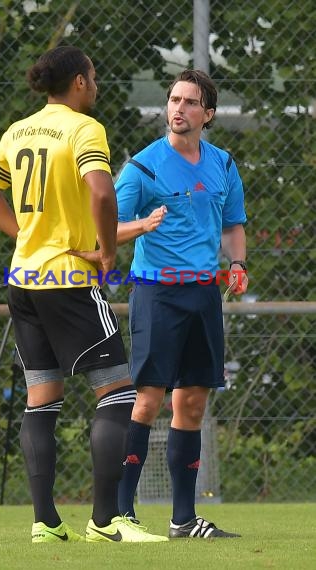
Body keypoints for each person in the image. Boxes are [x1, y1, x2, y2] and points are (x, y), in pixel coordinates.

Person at [0, 45, 168, 544]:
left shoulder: (20, 130)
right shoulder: (84, 129)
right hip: (69, 281)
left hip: (23, 281)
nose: (95, 85)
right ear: (78, 82)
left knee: (42, 398)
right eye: (93, 77)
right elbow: (101, 193)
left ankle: (45, 523)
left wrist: (25, 236)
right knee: (118, 392)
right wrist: (107, 252)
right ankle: (104, 523)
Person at [114, 69, 248, 538]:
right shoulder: (143, 166)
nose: (179, 108)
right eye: (174, 99)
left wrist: (238, 264)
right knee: (148, 398)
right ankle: (120, 516)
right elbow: (103, 227)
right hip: (158, 294)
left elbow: (233, 224)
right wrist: (140, 227)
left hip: (203, 294)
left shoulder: (223, 164)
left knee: (191, 402)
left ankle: (183, 520)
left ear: (208, 114)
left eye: (191, 102)